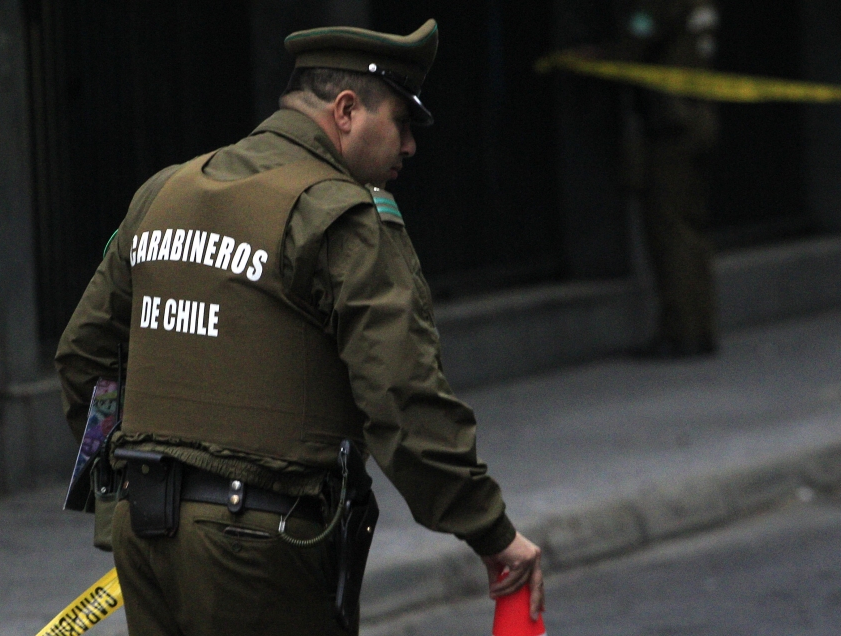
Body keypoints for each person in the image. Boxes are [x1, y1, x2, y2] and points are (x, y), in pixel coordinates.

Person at [54, 19, 544, 636]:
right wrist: (492, 532)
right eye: (400, 121)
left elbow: (84, 358)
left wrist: (120, 487)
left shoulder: (162, 193)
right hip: (259, 545)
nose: (409, 147)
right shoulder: (339, 215)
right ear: (347, 111)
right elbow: (403, 398)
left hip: (144, 533)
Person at [610, 0, 721, 357]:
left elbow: (635, 40)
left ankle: (680, 331)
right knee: (693, 228)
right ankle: (700, 326)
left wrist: (605, 54)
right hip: (699, 117)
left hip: (672, 124)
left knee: (669, 230)